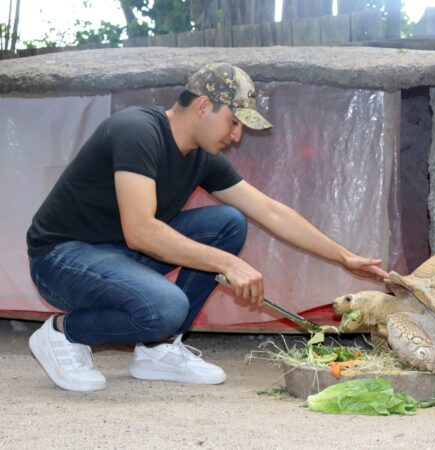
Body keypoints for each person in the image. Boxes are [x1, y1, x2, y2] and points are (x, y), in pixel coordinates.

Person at [26, 63, 389, 392]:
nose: (237, 136)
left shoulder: (201, 156)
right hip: (61, 260)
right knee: (167, 308)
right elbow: (141, 230)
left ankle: (157, 350)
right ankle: (63, 334)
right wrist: (228, 264)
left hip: (120, 256)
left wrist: (345, 257)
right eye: (234, 121)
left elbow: (270, 210)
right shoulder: (137, 131)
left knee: (228, 222)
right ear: (203, 106)